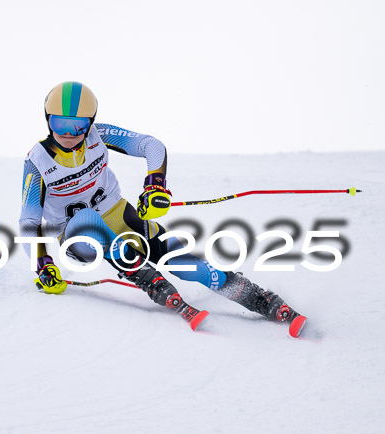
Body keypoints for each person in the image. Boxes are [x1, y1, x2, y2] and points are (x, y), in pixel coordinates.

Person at [18, 81, 307, 337]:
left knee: (182, 261)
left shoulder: (100, 135)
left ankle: (258, 298)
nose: (68, 134)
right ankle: (148, 279)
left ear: (90, 123)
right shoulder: (38, 161)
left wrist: (155, 185)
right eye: (59, 124)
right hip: (78, 237)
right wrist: (42, 264)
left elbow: (149, 145)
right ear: (47, 121)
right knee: (88, 219)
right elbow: (29, 220)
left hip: (119, 215)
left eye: (78, 126)